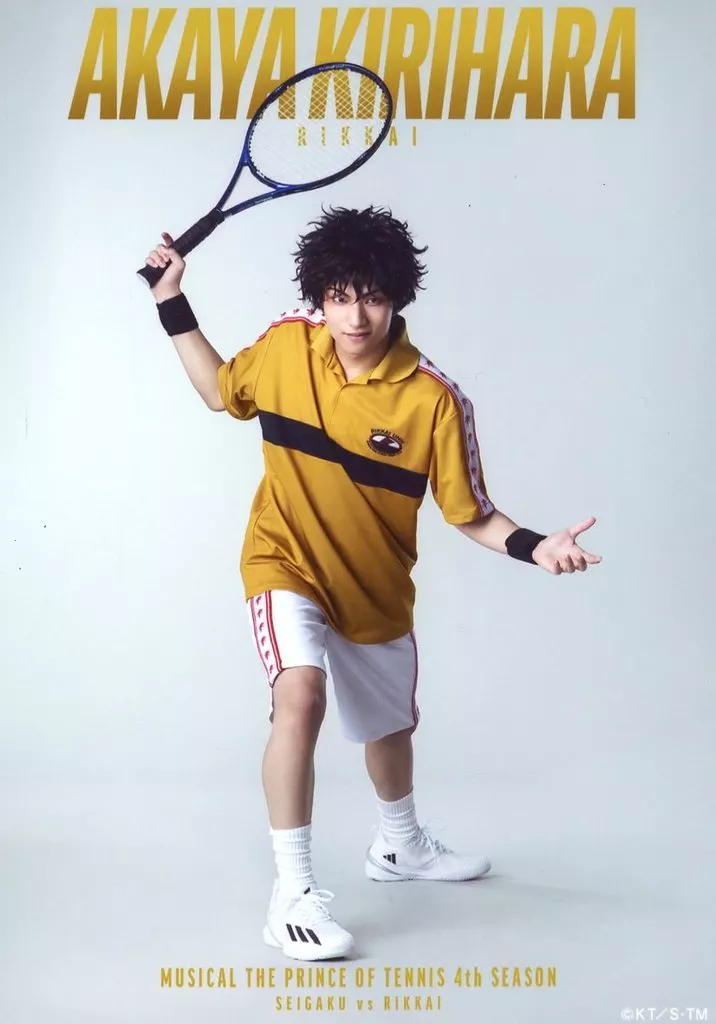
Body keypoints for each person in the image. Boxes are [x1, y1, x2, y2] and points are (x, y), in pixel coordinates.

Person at [144, 206, 602, 962]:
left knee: (390, 729)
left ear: (397, 299)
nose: (356, 317)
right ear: (319, 297)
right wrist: (170, 299)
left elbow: (471, 513)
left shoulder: (434, 400)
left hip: (374, 586)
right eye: (340, 297)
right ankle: (293, 895)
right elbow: (222, 392)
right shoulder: (287, 346)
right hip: (284, 560)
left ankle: (400, 846)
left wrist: (536, 546)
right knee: (300, 697)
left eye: (374, 297)